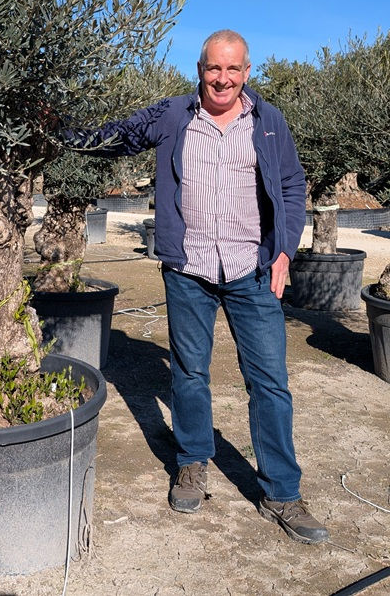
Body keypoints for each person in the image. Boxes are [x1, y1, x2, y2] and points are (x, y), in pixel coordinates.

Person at [64, 29, 329, 544]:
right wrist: (59, 131)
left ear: (246, 72)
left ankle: (281, 492)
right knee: (189, 372)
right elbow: (119, 137)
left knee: (270, 383)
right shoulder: (175, 115)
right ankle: (191, 463)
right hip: (189, 269)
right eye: (213, 68)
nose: (222, 79)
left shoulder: (268, 121)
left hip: (253, 269)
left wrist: (284, 250)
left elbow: (292, 185)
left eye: (232, 69)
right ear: (200, 70)